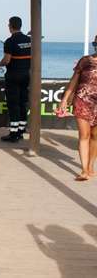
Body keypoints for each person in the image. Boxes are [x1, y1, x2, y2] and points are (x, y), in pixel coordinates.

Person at [58, 34, 97, 181]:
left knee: (95, 136)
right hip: (82, 100)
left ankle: (90, 166)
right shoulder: (85, 61)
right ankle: (84, 170)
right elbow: (73, 81)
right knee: (84, 135)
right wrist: (64, 100)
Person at [0, 16, 31, 143]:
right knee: (22, 103)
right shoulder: (29, 40)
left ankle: (13, 133)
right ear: (20, 25)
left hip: (13, 76)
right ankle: (21, 131)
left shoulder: (10, 41)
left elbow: (7, 60)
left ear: (10, 26)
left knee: (13, 104)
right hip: (27, 76)